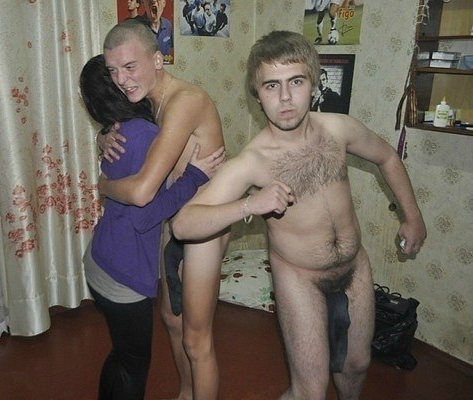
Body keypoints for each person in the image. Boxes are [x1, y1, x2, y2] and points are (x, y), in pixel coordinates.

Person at [172, 30, 427, 399]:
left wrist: (412, 216)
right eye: (271, 86)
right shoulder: (252, 162)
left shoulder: (338, 129)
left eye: (296, 81)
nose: (285, 97)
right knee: (310, 390)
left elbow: (387, 156)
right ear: (257, 94)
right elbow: (184, 223)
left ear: (314, 83)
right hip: (299, 278)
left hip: (354, 266)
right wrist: (250, 205)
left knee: (357, 365)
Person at [98, 18, 229, 400]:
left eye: (130, 66)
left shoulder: (185, 101)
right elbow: (119, 131)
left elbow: (142, 191)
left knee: (196, 338)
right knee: (172, 321)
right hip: (173, 219)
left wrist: (103, 186)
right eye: (113, 71)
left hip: (204, 224)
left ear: (158, 60)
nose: (121, 80)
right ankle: (186, 393)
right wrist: (102, 137)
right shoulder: (148, 101)